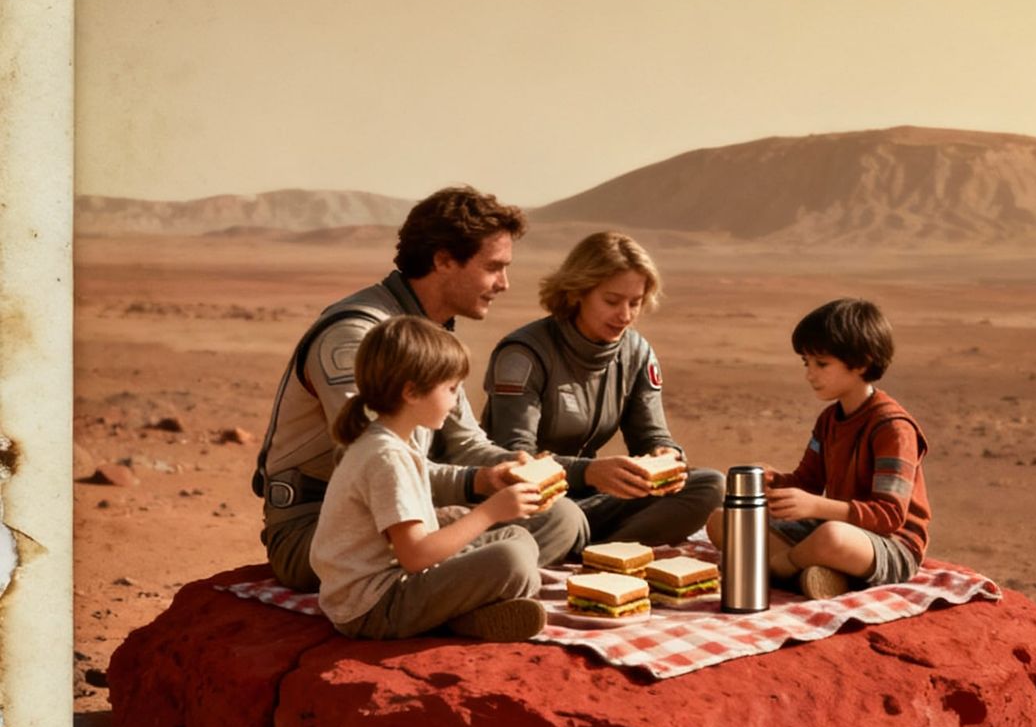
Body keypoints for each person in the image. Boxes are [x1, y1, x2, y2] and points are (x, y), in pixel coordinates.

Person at [254, 184, 586, 590]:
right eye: (493, 267)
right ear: (443, 260)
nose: (504, 283)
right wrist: (477, 483)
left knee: (560, 517)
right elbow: (376, 465)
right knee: (515, 548)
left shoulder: (427, 335)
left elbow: (467, 445)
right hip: (325, 529)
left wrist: (520, 470)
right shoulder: (356, 338)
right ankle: (436, 597)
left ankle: (465, 588)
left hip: (407, 513)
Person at [310, 317, 550, 641]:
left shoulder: (394, 442)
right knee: (512, 560)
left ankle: (465, 617)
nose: (455, 401)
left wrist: (474, 503)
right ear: (411, 392)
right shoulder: (385, 457)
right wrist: (490, 512)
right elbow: (415, 556)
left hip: (399, 582)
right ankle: (458, 618)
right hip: (372, 606)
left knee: (518, 537)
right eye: (451, 389)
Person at [481, 230, 723, 547]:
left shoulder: (637, 353)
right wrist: (588, 472)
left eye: (635, 303)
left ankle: (604, 554)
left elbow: (651, 435)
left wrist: (666, 456)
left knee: (709, 485)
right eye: (611, 301)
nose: (625, 315)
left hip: (594, 501)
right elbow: (514, 457)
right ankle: (598, 548)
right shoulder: (524, 354)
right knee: (565, 516)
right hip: (531, 502)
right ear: (577, 292)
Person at [708, 297, 929, 600]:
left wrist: (817, 507)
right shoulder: (829, 420)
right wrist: (771, 481)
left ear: (862, 363)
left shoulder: (893, 428)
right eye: (806, 363)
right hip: (833, 526)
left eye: (821, 364)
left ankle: (781, 569)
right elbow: (808, 483)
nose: (810, 374)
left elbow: (889, 516)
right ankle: (817, 576)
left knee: (831, 537)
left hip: (889, 546)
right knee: (724, 521)